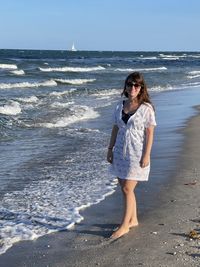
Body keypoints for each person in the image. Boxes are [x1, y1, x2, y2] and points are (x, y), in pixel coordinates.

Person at [107, 72, 156, 239]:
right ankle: (133, 219)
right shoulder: (119, 107)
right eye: (130, 84)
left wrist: (146, 155)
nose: (132, 88)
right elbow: (115, 128)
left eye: (136, 85)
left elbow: (150, 133)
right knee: (125, 189)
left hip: (136, 152)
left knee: (128, 188)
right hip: (120, 151)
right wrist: (110, 149)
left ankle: (124, 226)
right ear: (125, 87)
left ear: (141, 88)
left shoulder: (146, 109)